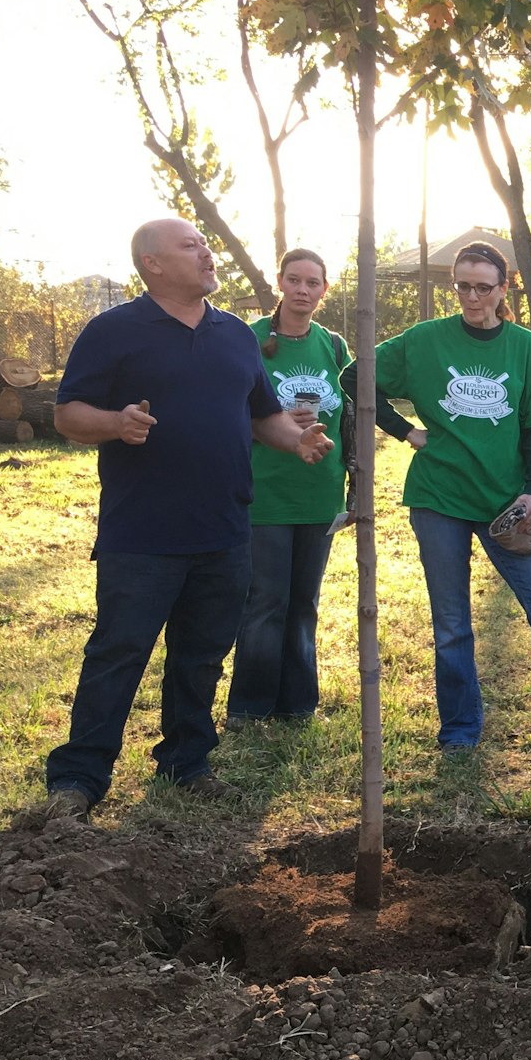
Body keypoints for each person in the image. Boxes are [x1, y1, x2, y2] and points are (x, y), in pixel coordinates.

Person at [38, 218, 334, 820]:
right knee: (119, 653)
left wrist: (293, 439)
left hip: (225, 529)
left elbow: (260, 416)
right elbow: (68, 415)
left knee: (202, 654)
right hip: (142, 532)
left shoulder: (236, 337)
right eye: (191, 245)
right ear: (152, 263)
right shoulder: (113, 330)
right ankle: (78, 778)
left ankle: (187, 762)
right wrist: (115, 423)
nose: (207, 251)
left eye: (204, 242)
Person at [363, 241, 531, 761]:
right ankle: (460, 732)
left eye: (484, 286)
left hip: (507, 505)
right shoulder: (425, 340)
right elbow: (357, 375)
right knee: (453, 625)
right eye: (463, 285)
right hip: (439, 499)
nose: (472, 296)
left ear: (503, 290)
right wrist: (404, 431)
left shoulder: (523, 345)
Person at [227, 248, 351, 724]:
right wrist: (277, 422)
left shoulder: (334, 346)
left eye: (312, 282)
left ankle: (298, 704)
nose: (303, 290)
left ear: (324, 289)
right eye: (294, 280)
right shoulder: (248, 339)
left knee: (304, 604)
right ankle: (249, 707)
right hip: (266, 492)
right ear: (279, 282)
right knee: (266, 602)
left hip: (319, 493)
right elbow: (228, 405)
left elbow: (350, 416)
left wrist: (356, 477)